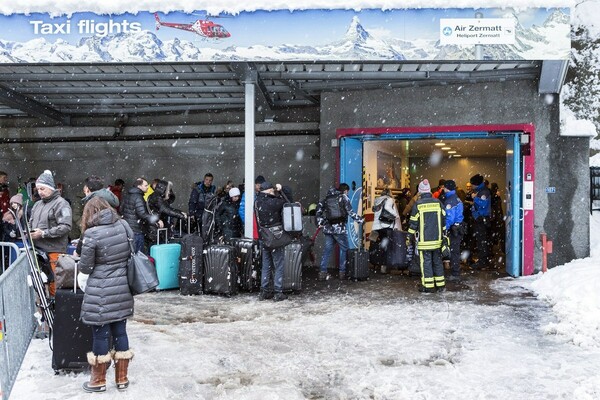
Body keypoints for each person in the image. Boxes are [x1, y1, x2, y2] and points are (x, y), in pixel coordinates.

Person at [78, 197, 134, 393]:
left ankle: (98, 380)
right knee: (120, 331)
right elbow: (131, 252)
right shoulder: (124, 225)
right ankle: (122, 378)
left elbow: (85, 266)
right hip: (122, 288)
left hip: (100, 290)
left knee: (100, 335)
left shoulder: (92, 234)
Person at [29, 170, 73, 297]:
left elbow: (65, 226)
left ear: (50, 188)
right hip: (38, 251)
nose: (39, 192)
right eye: (37, 189)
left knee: (55, 282)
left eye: (42, 188)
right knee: (40, 283)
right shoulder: (37, 204)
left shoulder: (61, 203)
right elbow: (31, 222)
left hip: (55, 250)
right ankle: (45, 310)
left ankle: (57, 309)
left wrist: (43, 233)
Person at [316, 183, 364, 281]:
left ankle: (322, 272)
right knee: (344, 249)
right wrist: (360, 220)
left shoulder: (326, 198)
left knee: (327, 251)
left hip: (328, 229)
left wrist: (320, 223)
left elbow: (318, 211)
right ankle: (342, 272)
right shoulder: (344, 197)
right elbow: (350, 212)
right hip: (340, 229)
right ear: (345, 190)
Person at [408, 179, 446, 293]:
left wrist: (409, 236)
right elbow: (444, 219)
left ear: (420, 192)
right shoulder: (438, 202)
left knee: (426, 263)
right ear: (429, 191)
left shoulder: (418, 205)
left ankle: (428, 286)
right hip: (437, 239)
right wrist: (444, 234)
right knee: (437, 262)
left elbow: (413, 223)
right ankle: (440, 285)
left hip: (424, 241)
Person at [255, 181, 288, 301]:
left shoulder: (257, 201)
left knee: (266, 265)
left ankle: (264, 291)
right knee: (278, 264)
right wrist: (281, 190)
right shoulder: (273, 202)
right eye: (272, 190)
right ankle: (278, 292)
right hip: (275, 237)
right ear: (269, 190)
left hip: (264, 236)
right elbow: (287, 202)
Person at [120, 178, 161, 254]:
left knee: (130, 254)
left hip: (127, 229)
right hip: (137, 230)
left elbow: (121, 210)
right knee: (139, 256)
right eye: (145, 185)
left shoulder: (127, 195)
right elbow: (142, 214)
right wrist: (156, 220)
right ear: (139, 186)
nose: (148, 187)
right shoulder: (138, 197)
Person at [371, 188, 400, 273]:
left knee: (378, 245)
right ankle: (384, 266)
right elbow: (387, 207)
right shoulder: (389, 199)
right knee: (386, 247)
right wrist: (396, 215)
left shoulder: (377, 200)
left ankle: (376, 262)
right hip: (386, 225)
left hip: (377, 226)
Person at [442, 180, 464, 281]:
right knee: (456, 251)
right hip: (459, 227)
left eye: (444, 187)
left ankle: (455, 273)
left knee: (454, 251)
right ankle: (455, 271)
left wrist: (444, 228)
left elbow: (449, 218)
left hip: (454, 229)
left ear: (447, 188)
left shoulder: (450, 200)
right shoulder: (457, 198)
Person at [470, 174, 492, 269]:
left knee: (481, 241)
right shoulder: (480, 191)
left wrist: (475, 198)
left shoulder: (483, 192)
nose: (471, 186)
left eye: (472, 184)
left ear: (476, 184)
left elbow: (483, 204)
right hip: (480, 219)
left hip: (481, 219)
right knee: (481, 241)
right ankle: (483, 260)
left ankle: (483, 261)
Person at [490, 182, 506, 255]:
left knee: (493, 234)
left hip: (494, 218)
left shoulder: (492, 195)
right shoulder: (496, 196)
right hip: (499, 217)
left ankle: (492, 250)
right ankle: (502, 249)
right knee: (501, 234)